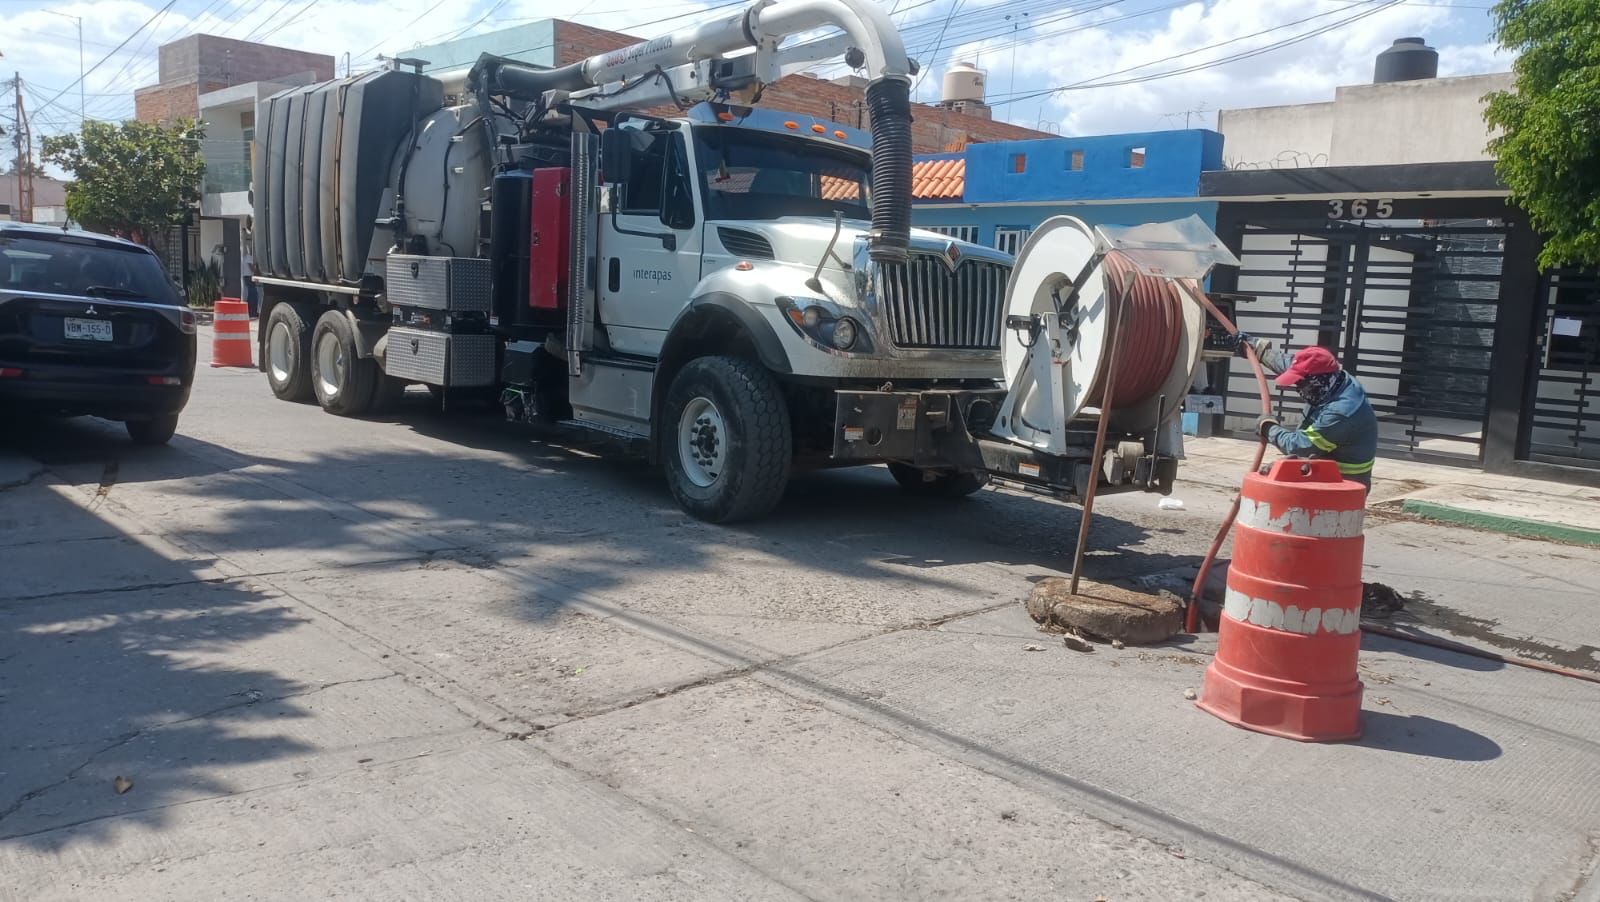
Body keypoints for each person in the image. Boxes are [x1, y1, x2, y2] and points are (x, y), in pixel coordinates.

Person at [1235, 336, 1378, 488]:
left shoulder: (1341, 413)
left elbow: (1299, 445)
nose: (1298, 389)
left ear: (1318, 380)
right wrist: (1255, 347)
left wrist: (1268, 427)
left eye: (1301, 384)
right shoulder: (1332, 379)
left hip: (1345, 484)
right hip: (1320, 464)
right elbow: (1286, 363)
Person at [241, 245, 260, 317]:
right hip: (249, 277)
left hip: (247, 276)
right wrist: (257, 271)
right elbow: (251, 268)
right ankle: (253, 312)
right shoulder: (249, 257)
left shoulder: (246, 257)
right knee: (253, 294)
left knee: (251, 294)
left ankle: (250, 311)